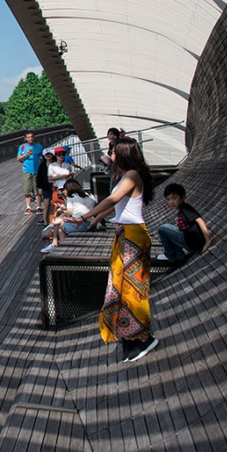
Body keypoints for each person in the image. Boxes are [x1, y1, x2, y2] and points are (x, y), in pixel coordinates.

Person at [81, 137, 158, 362]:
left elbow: (113, 198)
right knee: (120, 286)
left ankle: (143, 337)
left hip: (133, 234)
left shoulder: (132, 175)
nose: (110, 154)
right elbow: (117, 205)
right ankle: (130, 335)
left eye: (113, 151)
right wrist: (96, 218)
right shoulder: (125, 175)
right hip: (124, 233)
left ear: (122, 153)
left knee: (133, 288)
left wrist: (85, 216)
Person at [156, 183, 211, 262]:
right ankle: (179, 255)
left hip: (193, 243)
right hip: (188, 239)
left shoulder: (186, 209)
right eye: (168, 199)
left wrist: (207, 240)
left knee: (162, 229)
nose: (171, 202)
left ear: (183, 198)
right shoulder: (182, 209)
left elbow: (200, 220)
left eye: (174, 198)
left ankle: (171, 256)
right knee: (169, 228)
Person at [40, 179, 97, 253]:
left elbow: (70, 212)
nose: (63, 191)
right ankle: (59, 243)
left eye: (64, 189)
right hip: (92, 224)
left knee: (58, 225)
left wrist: (64, 209)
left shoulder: (71, 197)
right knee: (60, 226)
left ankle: (56, 245)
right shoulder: (90, 196)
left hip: (79, 225)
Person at [17, 131, 42, 214]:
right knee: (27, 189)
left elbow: (43, 157)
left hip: (37, 170)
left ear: (34, 137)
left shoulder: (39, 147)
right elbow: (18, 158)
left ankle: (38, 207)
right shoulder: (22, 147)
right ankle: (28, 207)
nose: (30, 138)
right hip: (27, 170)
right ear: (25, 138)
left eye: (31, 137)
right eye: (28, 137)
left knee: (37, 190)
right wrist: (26, 154)